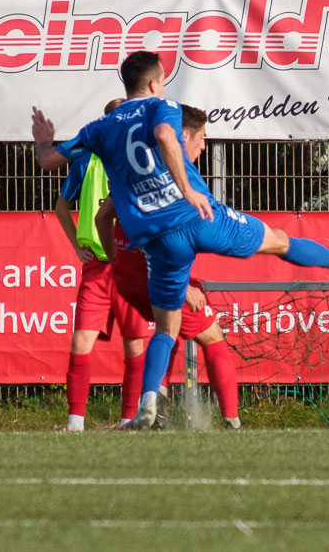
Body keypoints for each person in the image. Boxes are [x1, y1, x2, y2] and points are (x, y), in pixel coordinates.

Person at [33, 51, 329, 430]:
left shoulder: (100, 128)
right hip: (196, 218)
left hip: (157, 242)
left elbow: (47, 161)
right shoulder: (164, 107)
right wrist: (185, 190)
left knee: (165, 327)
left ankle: (146, 403)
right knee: (276, 240)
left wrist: (44, 140)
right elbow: (162, 135)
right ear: (156, 83)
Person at [95, 105, 242, 429]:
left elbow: (102, 218)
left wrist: (115, 262)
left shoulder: (126, 173)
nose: (203, 146)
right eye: (202, 138)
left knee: (160, 337)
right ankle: (232, 422)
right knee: (212, 338)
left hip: (127, 278)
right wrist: (183, 286)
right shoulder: (169, 176)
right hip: (154, 273)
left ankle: (150, 413)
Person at [50, 97, 159, 432]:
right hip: (97, 265)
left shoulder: (142, 160)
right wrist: (77, 245)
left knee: (134, 343)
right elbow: (60, 205)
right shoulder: (86, 160)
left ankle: (129, 419)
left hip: (129, 262)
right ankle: (75, 422)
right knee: (81, 341)